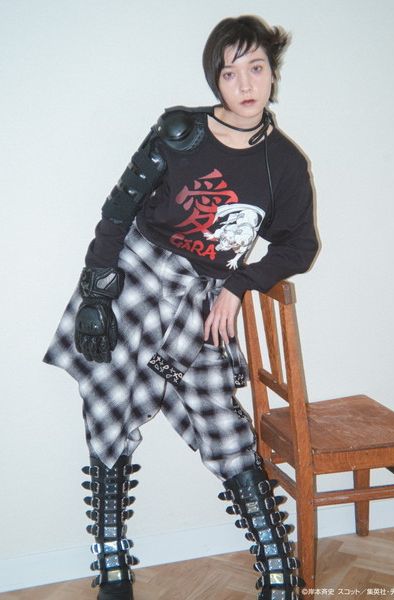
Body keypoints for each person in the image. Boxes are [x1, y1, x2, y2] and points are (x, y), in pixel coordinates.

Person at [44, 14, 318, 600]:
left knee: (221, 419)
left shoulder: (285, 165)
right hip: (138, 273)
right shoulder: (180, 133)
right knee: (109, 409)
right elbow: (118, 209)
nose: (245, 84)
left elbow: (300, 245)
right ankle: (112, 562)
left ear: (272, 73)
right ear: (215, 80)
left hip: (204, 295)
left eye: (256, 68)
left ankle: (278, 571)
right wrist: (96, 289)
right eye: (230, 73)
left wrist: (239, 285)